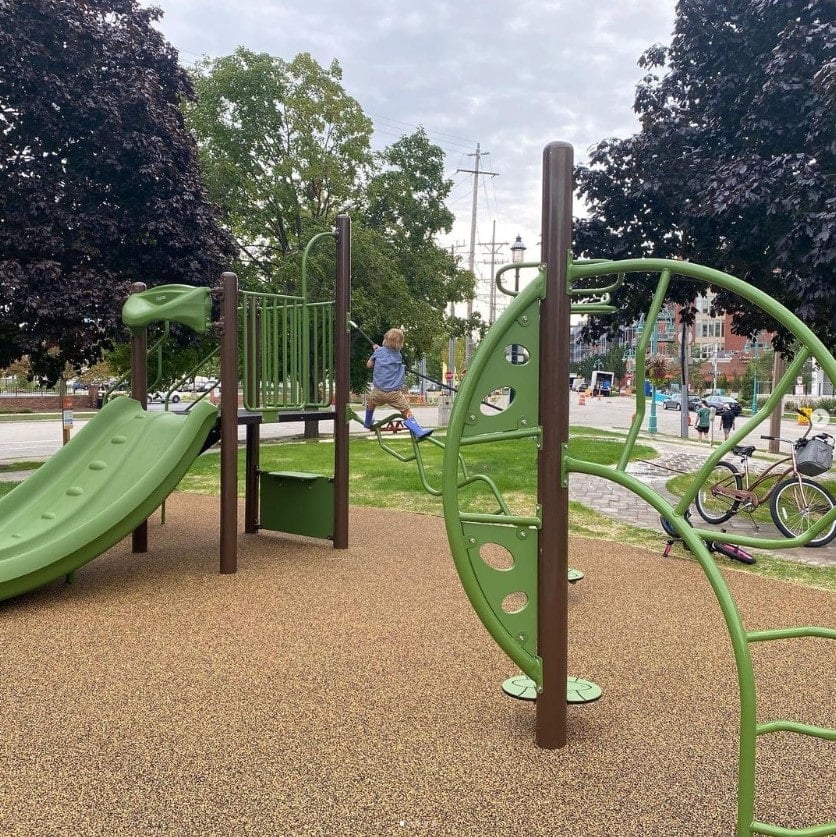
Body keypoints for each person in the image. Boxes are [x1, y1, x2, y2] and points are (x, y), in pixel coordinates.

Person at [364, 328, 433, 440]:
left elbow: (369, 365)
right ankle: (418, 431)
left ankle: (367, 422)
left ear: (385, 339)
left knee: (371, 403)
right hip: (394, 393)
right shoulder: (398, 355)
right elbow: (390, 359)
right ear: (400, 343)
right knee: (406, 410)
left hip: (378, 392)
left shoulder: (379, 352)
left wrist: (375, 352)